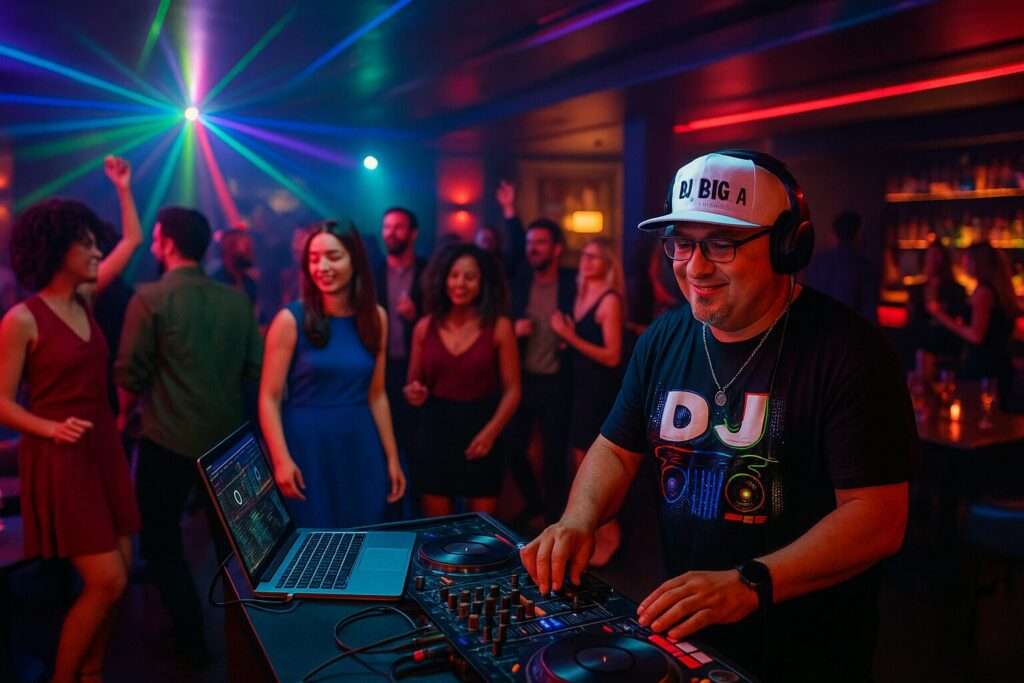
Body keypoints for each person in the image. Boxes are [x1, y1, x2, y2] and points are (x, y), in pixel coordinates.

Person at [521, 150, 914, 682]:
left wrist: (751, 582)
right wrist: (577, 520)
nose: (695, 266)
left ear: (786, 246)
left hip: (810, 650)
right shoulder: (664, 337)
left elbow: (877, 517)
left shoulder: (850, 352)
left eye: (721, 245)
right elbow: (616, 448)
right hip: (691, 637)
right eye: (681, 243)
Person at [0, 156, 141, 683]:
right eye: (86, 243)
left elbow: (131, 241)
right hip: (61, 455)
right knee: (106, 581)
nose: (97, 251)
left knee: (119, 576)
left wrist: (124, 189)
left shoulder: (84, 298)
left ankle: (92, 674)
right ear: (58, 248)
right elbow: (2, 401)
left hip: (101, 446)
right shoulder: (21, 319)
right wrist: (48, 428)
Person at [115, 206, 263, 666]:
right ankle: (249, 641)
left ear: (168, 242)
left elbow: (129, 373)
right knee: (235, 549)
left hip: (166, 439)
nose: (154, 244)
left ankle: (192, 639)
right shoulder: (237, 301)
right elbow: (255, 370)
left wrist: (123, 419)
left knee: (161, 543)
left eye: (156, 237)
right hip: (227, 441)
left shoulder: (150, 297)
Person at [260, 220, 406, 527]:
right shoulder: (290, 320)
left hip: (360, 440)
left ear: (355, 259)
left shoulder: (376, 316)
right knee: (316, 538)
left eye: (333, 256)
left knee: (367, 530)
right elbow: (269, 398)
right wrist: (281, 459)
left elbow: (377, 394)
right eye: (313, 259)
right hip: (309, 445)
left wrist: (391, 457)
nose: (322, 266)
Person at [403, 243, 520, 516]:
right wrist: (414, 393)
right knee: (439, 533)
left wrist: (490, 434)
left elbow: (513, 390)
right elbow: (412, 384)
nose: (460, 283)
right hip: (435, 433)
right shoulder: (424, 327)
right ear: (443, 279)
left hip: (482, 429)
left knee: (480, 536)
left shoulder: (499, 327)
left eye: (470, 277)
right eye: (454, 275)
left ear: (483, 283)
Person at [549, 236, 624, 566]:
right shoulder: (579, 294)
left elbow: (612, 356)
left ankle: (611, 536)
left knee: (594, 466)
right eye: (585, 256)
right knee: (578, 463)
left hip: (599, 390)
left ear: (608, 264)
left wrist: (568, 336)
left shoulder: (609, 300)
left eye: (596, 257)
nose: (588, 262)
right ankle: (593, 534)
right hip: (577, 388)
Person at [507, 212, 577, 526]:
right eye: (529, 242)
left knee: (554, 453)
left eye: (540, 242)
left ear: (557, 249)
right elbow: (499, 320)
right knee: (512, 445)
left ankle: (552, 516)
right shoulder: (520, 282)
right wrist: (513, 328)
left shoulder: (571, 282)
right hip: (522, 379)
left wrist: (570, 338)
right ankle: (534, 502)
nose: (532, 248)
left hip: (558, 380)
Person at [373, 207, 426, 514]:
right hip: (381, 370)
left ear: (413, 233)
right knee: (384, 445)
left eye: (398, 227)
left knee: (418, 449)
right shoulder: (374, 271)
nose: (391, 232)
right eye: (387, 226)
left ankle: (418, 515)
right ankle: (389, 516)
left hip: (417, 371)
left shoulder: (428, 270)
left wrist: (415, 315)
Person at [928, 241, 1018, 405]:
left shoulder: (983, 292)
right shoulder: (998, 290)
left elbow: (976, 335)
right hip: (1000, 364)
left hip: (984, 367)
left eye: (967, 259)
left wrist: (942, 317)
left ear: (978, 263)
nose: (963, 263)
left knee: (978, 417)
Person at [804, 210, 881, 322]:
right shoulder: (864, 268)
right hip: (850, 333)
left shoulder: (816, 263)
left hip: (819, 330)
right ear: (858, 234)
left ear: (835, 233)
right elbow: (869, 314)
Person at [908, 240, 966, 376]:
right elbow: (913, 324)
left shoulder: (956, 290)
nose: (933, 261)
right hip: (920, 351)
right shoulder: (916, 290)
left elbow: (959, 323)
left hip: (947, 350)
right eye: (930, 257)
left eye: (936, 257)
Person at [212, 227, 260, 317]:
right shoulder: (216, 284)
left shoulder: (249, 282)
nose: (252, 255)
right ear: (230, 251)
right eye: (247, 249)